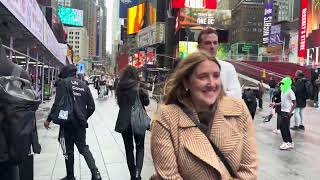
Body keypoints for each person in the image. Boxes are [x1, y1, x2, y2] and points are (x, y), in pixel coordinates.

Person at [150, 51, 257, 179]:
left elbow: (248, 170)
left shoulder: (239, 110)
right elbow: (169, 176)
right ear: (186, 82)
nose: (212, 83)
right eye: (203, 77)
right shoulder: (166, 118)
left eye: (216, 76)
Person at [44, 65, 101, 180]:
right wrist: (83, 117)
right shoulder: (84, 85)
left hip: (67, 123)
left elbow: (57, 103)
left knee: (68, 150)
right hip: (80, 123)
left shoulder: (63, 83)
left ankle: (70, 176)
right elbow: (91, 107)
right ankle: (96, 173)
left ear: (65, 73)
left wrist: (48, 119)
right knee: (83, 148)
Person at [115, 65, 150, 180]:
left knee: (128, 149)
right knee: (140, 148)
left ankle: (132, 176)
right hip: (138, 120)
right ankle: (137, 175)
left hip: (124, 120)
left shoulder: (120, 86)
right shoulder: (139, 86)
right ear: (135, 74)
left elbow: (120, 104)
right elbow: (146, 103)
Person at [197, 27, 242, 99]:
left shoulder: (228, 67)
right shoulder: (191, 67)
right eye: (208, 43)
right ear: (199, 47)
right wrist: (224, 92)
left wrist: (208, 93)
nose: (212, 46)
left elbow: (237, 95)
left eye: (215, 43)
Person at [271, 77, 296, 150]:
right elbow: (283, 102)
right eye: (281, 83)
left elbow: (294, 103)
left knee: (283, 127)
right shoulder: (283, 91)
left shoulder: (290, 91)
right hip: (283, 110)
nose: (281, 84)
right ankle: (290, 143)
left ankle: (285, 142)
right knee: (285, 127)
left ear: (287, 83)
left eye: (283, 83)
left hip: (288, 112)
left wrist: (290, 112)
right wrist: (275, 104)